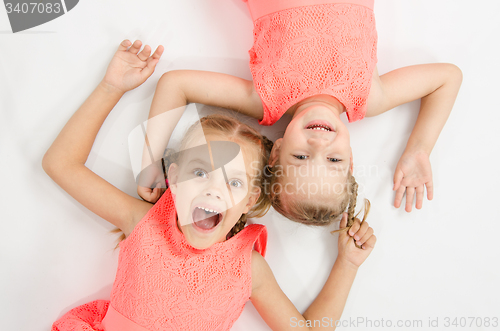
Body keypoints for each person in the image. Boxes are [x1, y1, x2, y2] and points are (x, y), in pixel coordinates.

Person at [44, 39, 376, 331]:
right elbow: (60, 164)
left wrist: (347, 265)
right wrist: (110, 87)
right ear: (173, 178)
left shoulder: (249, 268)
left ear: (250, 199)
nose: (213, 190)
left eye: (234, 182)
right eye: (200, 173)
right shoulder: (143, 223)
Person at [138, 0, 462, 227]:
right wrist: (419, 148)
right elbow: (447, 78)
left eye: (301, 158)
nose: (318, 145)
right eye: (334, 161)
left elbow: (175, 83)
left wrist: (150, 162)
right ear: (351, 158)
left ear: (276, 151)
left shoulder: (265, 99)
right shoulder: (370, 97)